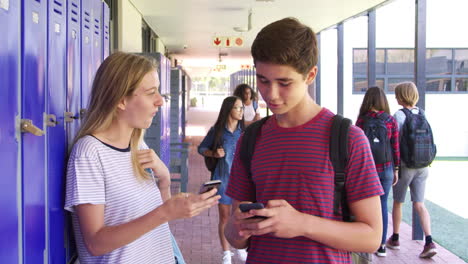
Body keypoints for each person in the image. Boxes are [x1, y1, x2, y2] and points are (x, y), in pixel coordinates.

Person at [224, 17, 384, 264]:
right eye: (263, 80)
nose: (271, 94)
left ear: (310, 75)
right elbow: (237, 238)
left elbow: (372, 237)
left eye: (284, 82)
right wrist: (237, 227)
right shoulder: (251, 139)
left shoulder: (347, 138)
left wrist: (303, 224)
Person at [64, 52, 220, 263]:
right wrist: (165, 212)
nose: (160, 102)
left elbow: (156, 220)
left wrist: (164, 181)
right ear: (121, 100)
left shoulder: (138, 145)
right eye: (150, 93)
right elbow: (95, 243)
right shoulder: (89, 154)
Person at [386, 81, 437, 258]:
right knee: (419, 203)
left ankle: (395, 238)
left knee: (398, 201)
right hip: (423, 166)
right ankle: (429, 241)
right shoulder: (421, 113)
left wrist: (396, 167)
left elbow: (395, 143)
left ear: (401, 96)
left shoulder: (399, 116)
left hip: (406, 166)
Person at [198, 96, 247, 264]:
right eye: (238, 108)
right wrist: (213, 153)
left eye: (242, 108)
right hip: (222, 179)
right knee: (225, 218)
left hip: (241, 181)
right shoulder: (217, 131)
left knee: (240, 216)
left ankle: (240, 248)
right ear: (229, 110)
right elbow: (201, 148)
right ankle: (226, 253)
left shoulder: (245, 132)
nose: (241, 111)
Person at [355, 86, 400, 257]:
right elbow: (395, 147)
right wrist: (396, 169)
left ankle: (366, 244)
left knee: (365, 206)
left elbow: (357, 147)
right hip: (386, 168)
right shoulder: (390, 120)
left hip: (367, 169)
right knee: (382, 205)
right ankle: (381, 245)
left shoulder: (361, 121)